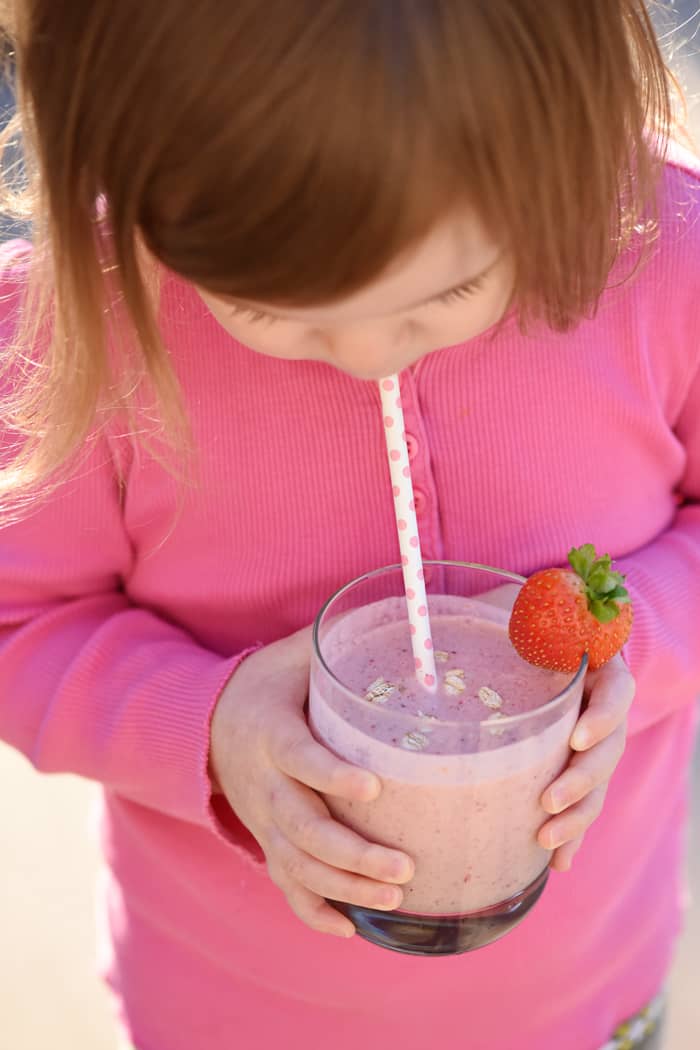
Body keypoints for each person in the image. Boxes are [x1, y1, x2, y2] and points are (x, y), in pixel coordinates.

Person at [0, 3, 696, 1048]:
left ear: (570, 131)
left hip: (582, 991)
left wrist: (620, 629)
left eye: (453, 286)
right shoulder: (78, 334)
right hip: (231, 1011)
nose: (370, 358)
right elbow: (22, 622)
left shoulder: (664, 261)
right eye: (268, 307)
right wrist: (207, 724)